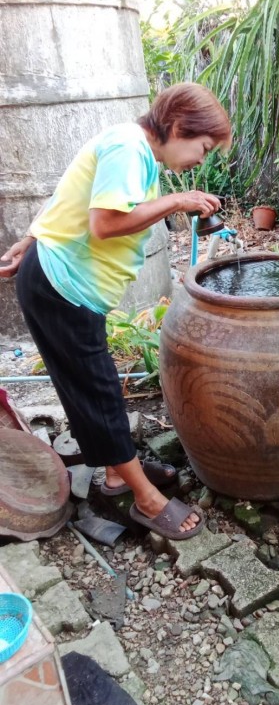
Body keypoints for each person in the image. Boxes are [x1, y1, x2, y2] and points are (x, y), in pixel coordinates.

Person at [0, 83, 231, 537]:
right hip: (62, 286)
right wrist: (177, 200)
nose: (200, 160)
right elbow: (104, 223)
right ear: (179, 126)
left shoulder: (130, 146)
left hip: (62, 282)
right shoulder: (129, 148)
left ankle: (115, 474)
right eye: (203, 148)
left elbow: (70, 192)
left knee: (88, 385)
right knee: (100, 391)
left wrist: (30, 239)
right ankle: (145, 499)